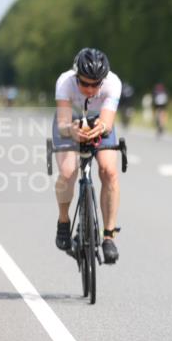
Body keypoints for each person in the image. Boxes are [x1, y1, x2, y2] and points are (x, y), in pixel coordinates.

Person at [53, 48, 123, 263]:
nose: (90, 90)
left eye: (96, 84)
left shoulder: (113, 83)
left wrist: (100, 128)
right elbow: (63, 124)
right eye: (85, 84)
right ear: (76, 77)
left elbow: (107, 123)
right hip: (70, 121)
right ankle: (63, 221)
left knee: (109, 171)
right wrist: (72, 130)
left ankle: (108, 236)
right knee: (68, 171)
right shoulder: (65, 82)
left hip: (98, 121)